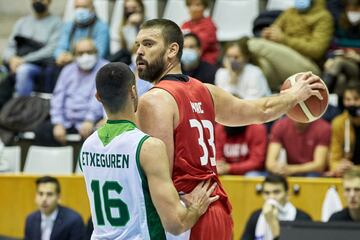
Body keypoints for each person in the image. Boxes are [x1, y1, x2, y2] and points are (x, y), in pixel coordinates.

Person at [134, 18, 324, 240]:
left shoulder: (154, 100)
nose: (139, 51)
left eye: (148, 44)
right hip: (217, 208)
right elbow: (260, 111)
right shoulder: (206, 91)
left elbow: (159, 177)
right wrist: (294, 96)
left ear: (172, 50)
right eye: (137, 45)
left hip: (187, 211)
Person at [79, 62, 218, 239]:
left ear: (98, 97)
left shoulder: (87, 146)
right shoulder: (148, 146)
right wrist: (196, 208)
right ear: (133, 91)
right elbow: (176, 224)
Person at [34, 39, 106, 146]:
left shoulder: (105, 68)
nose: (85, 56)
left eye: (89, 52)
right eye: (80, 53)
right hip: (67, 121)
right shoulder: (68, 70)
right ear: (74, 55)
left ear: (96, 52)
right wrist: (58, 123)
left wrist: (89, 120)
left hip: (93, 122)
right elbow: (57, 98)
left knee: (101, 135)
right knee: (41, 131)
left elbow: (101, 98)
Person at [249, 0, 333, 92]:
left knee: (255, 45)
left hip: (308, 67)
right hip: (285, 59)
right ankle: (276, 94)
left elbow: (317, 50)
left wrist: (284, 39)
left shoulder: (323, 16)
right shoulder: (290, 12)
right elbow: (275, 29)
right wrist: (268, 35)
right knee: (262, 63)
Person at [2, 0, 62, 96]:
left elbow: (51, 50)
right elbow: (10, 46)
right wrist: (11, 59)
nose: (38, 1)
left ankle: (21, 105)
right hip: (15, 63)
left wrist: (23, 60)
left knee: (23, 71)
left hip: (40, 66)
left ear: (49, 2)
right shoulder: (22, 22)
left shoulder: (57, 23)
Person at [241, 174, 312, 240]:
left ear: (287, 194)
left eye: (276, 192)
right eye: (267, 193)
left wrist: (273, 223)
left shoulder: (303, 218)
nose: (271, 197)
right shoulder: (256, 216)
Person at [266, 117, 331, 177]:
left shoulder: (323, 127)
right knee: (274, 179)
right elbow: (270, 163)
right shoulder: (280, 125)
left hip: (311, 172)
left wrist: (291, 169)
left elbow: (319, 165)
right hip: (289, 170)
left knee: (312, 176)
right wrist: (278, 169)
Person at [54, 0, 109, 66]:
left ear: (92, 8)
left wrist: (74, 58)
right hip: (68, 64)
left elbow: (100, 53)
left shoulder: (101, 27)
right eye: (77, 7)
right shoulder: (69, 25)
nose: (80, 10)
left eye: (84, 7)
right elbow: (60, 46)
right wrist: (61, 56)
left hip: (91, 64)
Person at [323, 0, 360, 94]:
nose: (353, 12)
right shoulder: (341, 26)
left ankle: (322, 90)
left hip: (356, 67)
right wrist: (331, 57)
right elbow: (333, 47)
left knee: (338, 62)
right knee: (341, 79)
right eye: (350, 9)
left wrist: (357, 57)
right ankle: (331, 104)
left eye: (356, 9)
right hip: (341, 64)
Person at [330, 82, 360, 177]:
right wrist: (337, 167)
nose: (351, 103)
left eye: (356, 99)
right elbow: (334, 158)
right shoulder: (338, 123)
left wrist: (355, 169)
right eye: (347, 99)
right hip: (348, 175)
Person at [181, 0, 220, 65]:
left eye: (198, 5)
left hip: (205, 64)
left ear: (204, 7)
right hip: (186, 64)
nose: (193, 8)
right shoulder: (185, 24)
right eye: (190, 5)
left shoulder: (209, 25)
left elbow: (198, 46)